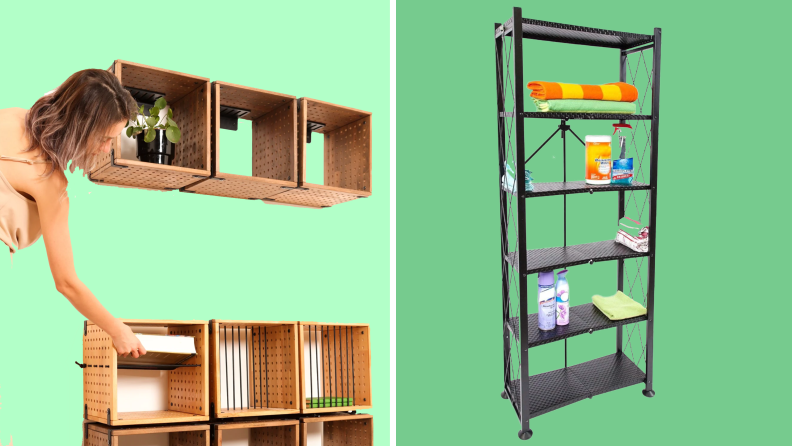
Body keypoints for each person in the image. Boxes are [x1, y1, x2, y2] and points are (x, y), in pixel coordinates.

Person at [0, 69, 146, 358]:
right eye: (105, 138)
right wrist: (118, 330)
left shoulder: (11, 116)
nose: (107, 149)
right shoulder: (50, 183)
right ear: (80, 126)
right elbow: (66, 282)